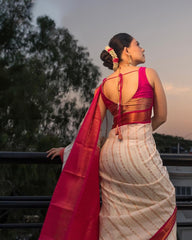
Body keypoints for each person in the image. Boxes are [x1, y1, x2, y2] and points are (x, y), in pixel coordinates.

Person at [39, 33, 177, 240]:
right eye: (138, 44)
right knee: (166, 201)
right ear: (127, 51)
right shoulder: (149, 74)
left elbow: (93, 130)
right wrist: (140, 131)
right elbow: (162, 117)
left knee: (115, 216)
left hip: (111, 156)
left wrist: (67, 151)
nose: (143, 48)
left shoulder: (104, 85)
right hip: (139, 152)